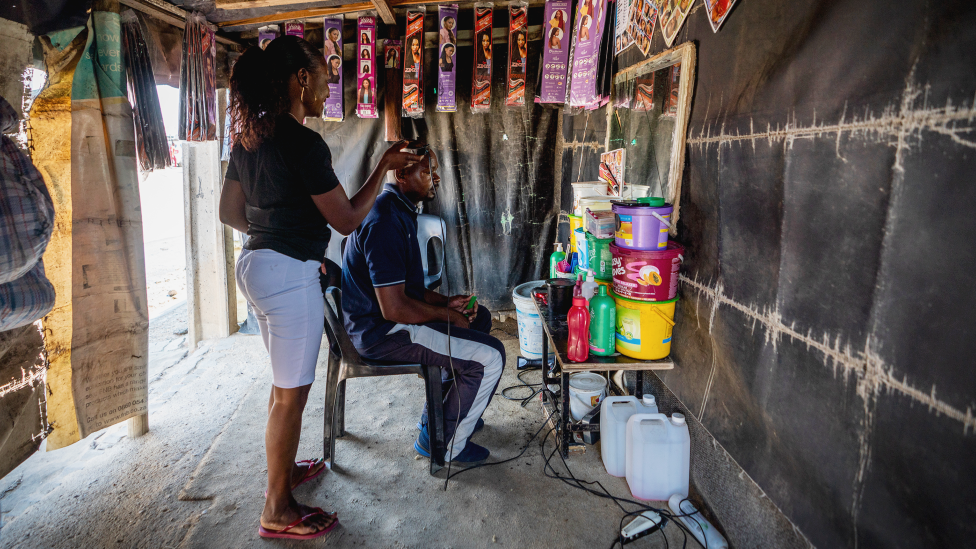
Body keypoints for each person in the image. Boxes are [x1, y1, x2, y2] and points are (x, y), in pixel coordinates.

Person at [219, 35, 422, 540]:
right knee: (291, 397)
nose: (331, 86)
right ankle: (277, 508)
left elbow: (228, 212)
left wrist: (274, 234)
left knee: (281, 388)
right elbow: (350, 220)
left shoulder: (250, 138)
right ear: (301, 79)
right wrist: (383, 167)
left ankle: (282, 476)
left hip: (256, 268)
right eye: (325, 76)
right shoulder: (303, 143)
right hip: (287, 277)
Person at [340, 143, 505, 469]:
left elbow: (410, 289)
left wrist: (448, 303)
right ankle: (443, 445)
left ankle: (445, 416)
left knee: (478, 318)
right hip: (384, 332)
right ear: (401, 174)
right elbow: (395, 308)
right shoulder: (384, 220)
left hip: (390, 320)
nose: (436, 179)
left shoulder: (398, 210)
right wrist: (446, 315)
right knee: (491, 357)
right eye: (428, 172)